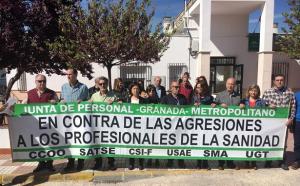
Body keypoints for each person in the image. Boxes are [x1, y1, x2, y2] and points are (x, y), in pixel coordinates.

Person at [23, 74, 58, 172]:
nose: (42, 83)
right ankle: (41, 163)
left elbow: (58, 105)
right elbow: (23, 106)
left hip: (49, 126)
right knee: (38, 145)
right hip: (35, 125)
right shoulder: (29, 93)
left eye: (44, 81)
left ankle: (50, 164)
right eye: (39, 81)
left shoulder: (52, 93)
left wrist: (55, 102)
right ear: (35, 82)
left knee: (50, 144)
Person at [262, 74, 296, 170]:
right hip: (270, 122)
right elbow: (262, 105)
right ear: (274, 81)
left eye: (281, 80)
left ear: (284, 81)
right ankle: (268, 161)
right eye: (277, 80)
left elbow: (293, 107)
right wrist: (268, 106)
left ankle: (282, 162)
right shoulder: (268, 92)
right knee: (269, 141)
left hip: (283, 123)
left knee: (282, 142)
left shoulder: (289, 93)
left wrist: (291, 118)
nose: (279, 82)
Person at [61, 68, 89, 171]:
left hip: (80, 120)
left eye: (70, 74)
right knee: (69, 141)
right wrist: (61, 101)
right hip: (67, 121)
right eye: (67, 74)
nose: (68, 76)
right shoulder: (63, 87)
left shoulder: (83, 87)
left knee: (80, 141)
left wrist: (83, 101)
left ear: (76, 75)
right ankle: (70, 163)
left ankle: (81, 163)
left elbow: (89, 102)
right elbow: (62, 100)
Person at [211, 77, 240, 170]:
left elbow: (241, 106)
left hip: (233, 125)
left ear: (235, 85)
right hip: (221, 125)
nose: (230, 86)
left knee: (231, 143)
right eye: (229, 83)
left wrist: (242, 105)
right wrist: (218, 105)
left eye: (232, 84)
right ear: (226, 84)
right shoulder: (220, 95)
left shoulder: (238, 96)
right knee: (221, 143)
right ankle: (221, 163)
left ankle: (230, 163)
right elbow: (213, 105)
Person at [90, 76, 118, 171]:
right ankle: (98, 163)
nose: (103, 85)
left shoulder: (113, 95)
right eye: (100, 84)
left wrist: (115, 103)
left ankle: (111, 163)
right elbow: (88, 107)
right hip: (97, 125)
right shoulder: (94, 96)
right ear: (98, 85)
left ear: (107, 84)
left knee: (109, 144)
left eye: (104, 83)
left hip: (109, 125)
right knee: (97, 144)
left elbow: (120, 108)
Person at [161, 80, 188, 168]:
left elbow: (188, 109)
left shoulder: (183, 97)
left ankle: (181, 161)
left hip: (181, 126)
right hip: (170, 126)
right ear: (171, 88)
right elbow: (161, 111)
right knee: (171, 144)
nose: (177, 89)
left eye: (178, 87)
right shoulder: (165, 98)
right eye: (175, 87)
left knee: (180, 144)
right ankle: (170, 161)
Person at [240, 84, 266, 170]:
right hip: (246, 126)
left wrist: (270, 108)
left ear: (258, 92)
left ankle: (254, 163)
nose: (253, 92)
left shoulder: (261, 101)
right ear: (249, 91)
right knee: (246, 144)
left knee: (254, 144)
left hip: (257, 127)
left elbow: (266, 112)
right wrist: (241, 106)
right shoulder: (244, 100)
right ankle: (247, 162)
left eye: (255, 90)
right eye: (251, 90)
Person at [192, 81, 214, 170]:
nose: (199, 88)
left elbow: (213, 103)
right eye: (197, 87)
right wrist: (192, 105)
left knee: (205, 143)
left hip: (206, 124)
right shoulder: (193, 97)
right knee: (198, 143)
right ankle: (198, 163)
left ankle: (205, 163)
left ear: (203, 88)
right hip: (196, 124)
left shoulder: (209, 97)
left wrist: (213, 105)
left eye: (200, 87)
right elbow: (188, 106)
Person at [126, 82, 148, 170]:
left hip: (140, 126)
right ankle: (131, 163)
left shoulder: (143, 100)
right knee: (131, 145)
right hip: (130, 126)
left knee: (140, 145)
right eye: (134, 89)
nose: (135, 90)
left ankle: (141, 162)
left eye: (137, 88)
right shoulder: (127, 100)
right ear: (131, 90)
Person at [291, 90, 300, 170]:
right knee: (297, 143)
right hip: (298, 121)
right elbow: (292, 108)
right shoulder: (296, 95)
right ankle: (297, 161)